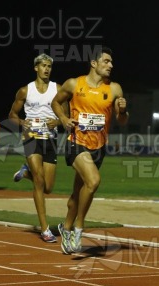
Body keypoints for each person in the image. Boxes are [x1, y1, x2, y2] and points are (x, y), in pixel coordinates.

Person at [51, 46, 129, 254]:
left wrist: (122, 110)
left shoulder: (114, 89)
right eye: (106, 61)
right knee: (93, 181)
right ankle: (78, 228)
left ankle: (65, 227)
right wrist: (65, 119)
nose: (110, 65)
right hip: (77, 141)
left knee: (78, 193)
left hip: (99, 146)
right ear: (94, 63)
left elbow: (122, 121)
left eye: (111, 62)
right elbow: (56, 103)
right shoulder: (74, 84)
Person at [9, 53, 67, 243]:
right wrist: (21, 122)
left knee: (48, 187)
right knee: (39, 182)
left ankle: (26, 172)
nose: (47, 69)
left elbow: (67, 117)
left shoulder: (58, 89)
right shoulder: (25, 91)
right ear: (36, 68)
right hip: (31, 137)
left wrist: (57, 121)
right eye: (43, 65)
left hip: (50, 140)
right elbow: (12, 115)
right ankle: (45, 229)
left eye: (49, 66)